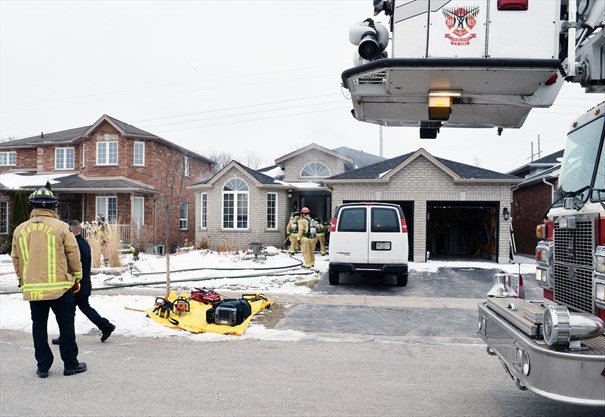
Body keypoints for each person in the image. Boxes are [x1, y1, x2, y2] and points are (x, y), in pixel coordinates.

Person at [11, 187, 87, 378]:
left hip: (34, 290)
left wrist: (22, 280)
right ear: (54, 206)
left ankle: (43, 366)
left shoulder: (20, 230)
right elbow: (73, 253)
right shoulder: (61, 227)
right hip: (60, 288)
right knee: (66, 325)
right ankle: (70, 364)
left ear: (32, 206)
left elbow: (16, 258)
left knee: (39, 327)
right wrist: (77, 276)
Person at [52, 220, 115, 346]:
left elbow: (72, 264)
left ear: (72, 230)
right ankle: (105, 326)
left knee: (67, 311)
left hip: (77, 284)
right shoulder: (84, 243)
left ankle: (66, 337)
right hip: (85, 282)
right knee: (84, 307)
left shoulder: (74, 244)